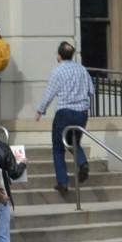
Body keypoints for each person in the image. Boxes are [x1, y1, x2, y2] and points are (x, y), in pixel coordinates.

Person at [34, 41, 95, 193]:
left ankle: (63, 182)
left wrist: (40, 110)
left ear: (59, 55)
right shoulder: (82, 69)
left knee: (58, 148)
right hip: (81, 113)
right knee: (74, 141)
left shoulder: (58, 71)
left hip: (64, 112)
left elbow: (49, 94)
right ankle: (82, 163)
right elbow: (91, 91)